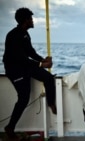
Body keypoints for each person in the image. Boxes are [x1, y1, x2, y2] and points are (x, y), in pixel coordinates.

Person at [2, 7, 57, 139]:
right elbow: (20, 58)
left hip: (25, 66)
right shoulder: (13, 35)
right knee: (24, 98)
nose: (33, 21)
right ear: (25, 20)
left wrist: (42, 59)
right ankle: (10, 128)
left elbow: (30, 52)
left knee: (48, 78)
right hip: (15, 70)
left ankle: (50, 103)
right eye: (31, 19)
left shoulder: (25, 34)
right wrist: (41, 64)